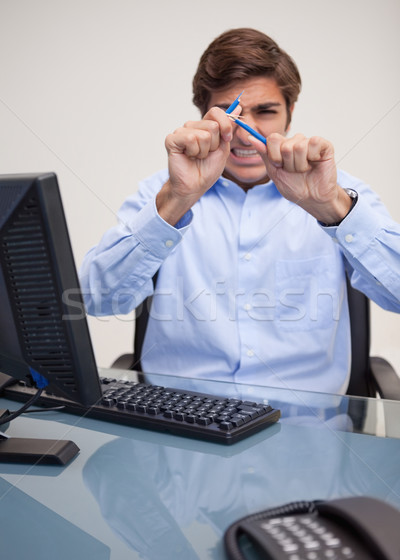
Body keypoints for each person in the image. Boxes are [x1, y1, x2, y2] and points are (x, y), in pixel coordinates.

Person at [80, 28, 400, 394]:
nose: (247, 135)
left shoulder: (335, 191)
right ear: (204, 118)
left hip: (304, 429)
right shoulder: (163, 193)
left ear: (290, 114)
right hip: (181, 428)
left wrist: (332, 208)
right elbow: (95, 299)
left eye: (265, 112)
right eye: (232, 116)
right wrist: (177, 200)